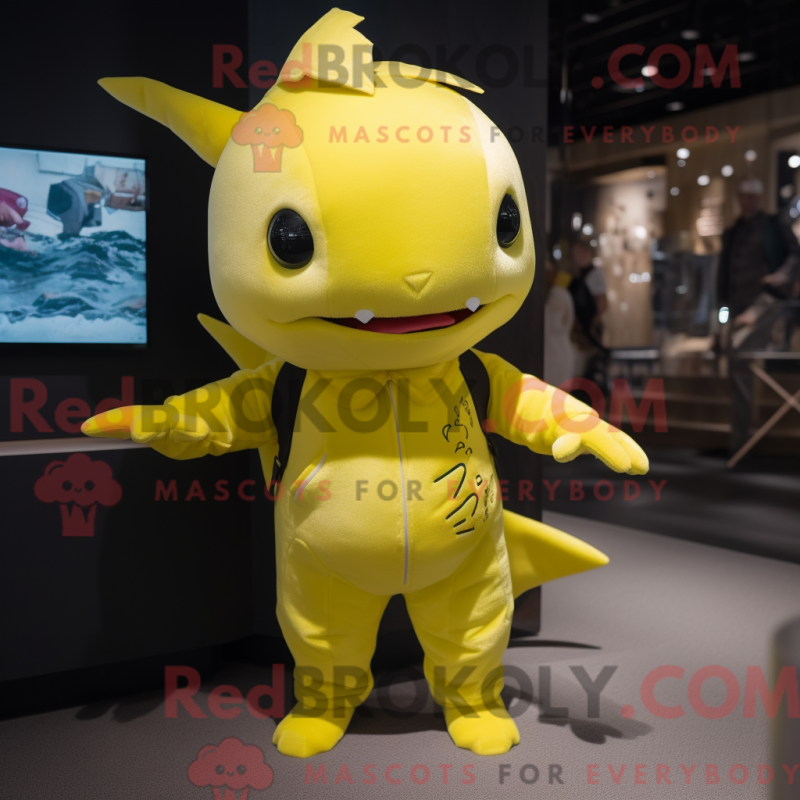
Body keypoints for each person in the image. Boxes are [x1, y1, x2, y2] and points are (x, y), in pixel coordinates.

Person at [717, 178, 800, 455]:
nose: (747, 201)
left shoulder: (773, 225)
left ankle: (742, 440)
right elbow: (725, 273)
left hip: (765, 304)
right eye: (743, 196)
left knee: (741, 358)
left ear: (760, 198)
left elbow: (795, 255)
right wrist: (722, 311)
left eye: (752, 196)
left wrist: (780, 277)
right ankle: (740, 437)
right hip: (737, 307)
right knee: (736, 365)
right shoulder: (734, 231)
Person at [568, 237, 608, 389]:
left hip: (588, 329)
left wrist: (592, 324)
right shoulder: (580, 274)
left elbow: (602, 303)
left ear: (586, 253)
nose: (576, 257)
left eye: (578, 253)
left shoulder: (594, 274)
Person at [543, 258, 576, 389]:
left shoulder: (552, 296)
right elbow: (569, 320)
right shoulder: (562, 295)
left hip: (546, 351)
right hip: (562, 349)